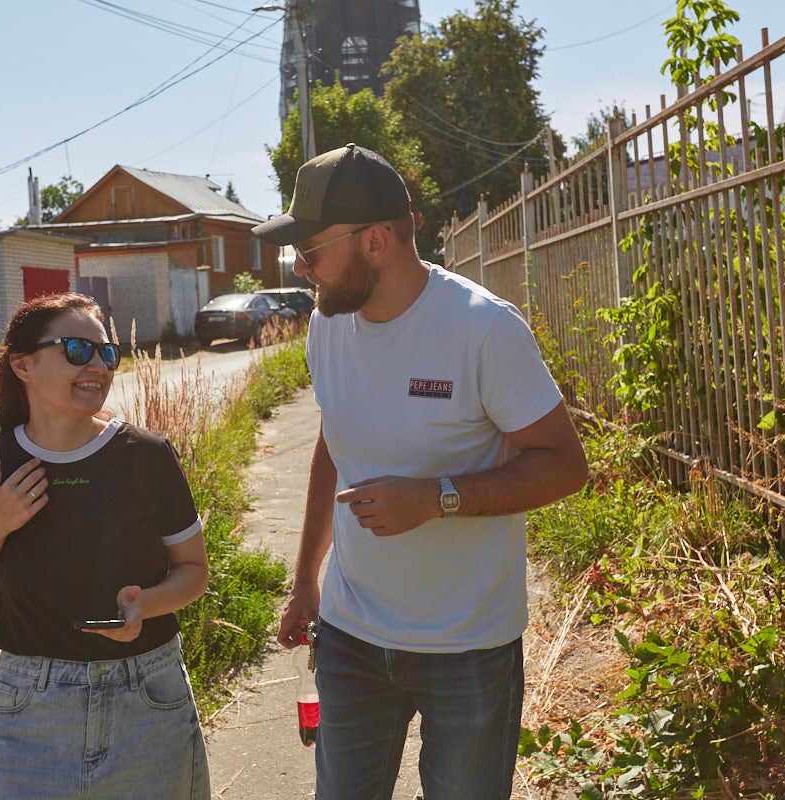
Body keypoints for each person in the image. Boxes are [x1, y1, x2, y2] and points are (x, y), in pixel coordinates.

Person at [252, 144, 589, 800]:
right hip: (352, 638)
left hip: (469, 647)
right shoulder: (328, 326)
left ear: (375, 241)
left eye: (311, 252)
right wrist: (304, 582)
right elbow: (333, 441)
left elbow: (566, 466)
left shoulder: (482, 329)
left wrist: (439, 497)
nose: (301, 268)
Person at [0, 292, 211, 799]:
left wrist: (143, 604)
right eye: (78, 350)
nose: (97, 366)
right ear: (23, 365)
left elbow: (193, 571)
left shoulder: (146, 456)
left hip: (147, 700)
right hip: (28, 715)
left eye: (106, 353)